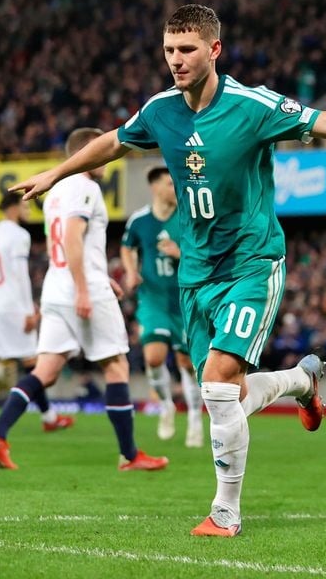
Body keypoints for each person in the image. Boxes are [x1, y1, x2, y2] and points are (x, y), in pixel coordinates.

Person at [12, 4, 326, 535]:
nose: (176, 60)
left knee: (218, 383)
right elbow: (112, 141)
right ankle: (300, 380)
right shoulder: (161, 110)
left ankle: (226, 511)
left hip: (251, 261)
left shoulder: (251, 104)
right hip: (195, 272)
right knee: (230, 394)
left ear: (214, 50)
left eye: (187, 49)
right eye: (170, 50)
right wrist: (57, 173)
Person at [0, 128, 168, 472]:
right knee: (116, 366)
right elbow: (72, 237)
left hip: (56, 286)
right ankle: (130, 455)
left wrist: (99, 275)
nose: (108, 161)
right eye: (104, 153)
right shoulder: (86, 187)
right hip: (81, 288)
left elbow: (69, 244)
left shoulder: (55, 191)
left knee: (46, 370)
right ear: (89, 153)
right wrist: (85, 286)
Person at [0, 190, 73, 433]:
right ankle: (49, 417)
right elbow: (19, 275)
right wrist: (29, 310)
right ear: (14, 207)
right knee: (33, 363)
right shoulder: (19, 235)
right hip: (13, 307)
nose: (27, 212)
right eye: (25, 208)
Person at [121, 166, 203, 447]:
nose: (175, 188)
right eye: (170, 184)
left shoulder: (188, 218)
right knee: (154, 358)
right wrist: (131, 271)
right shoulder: (140, 220)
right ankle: (166, 406)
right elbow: (126, 246)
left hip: (184, 300)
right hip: (153, 299)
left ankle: (194, 417)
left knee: (187, 364)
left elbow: (204, 254)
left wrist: (181, 254)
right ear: (155, 187)